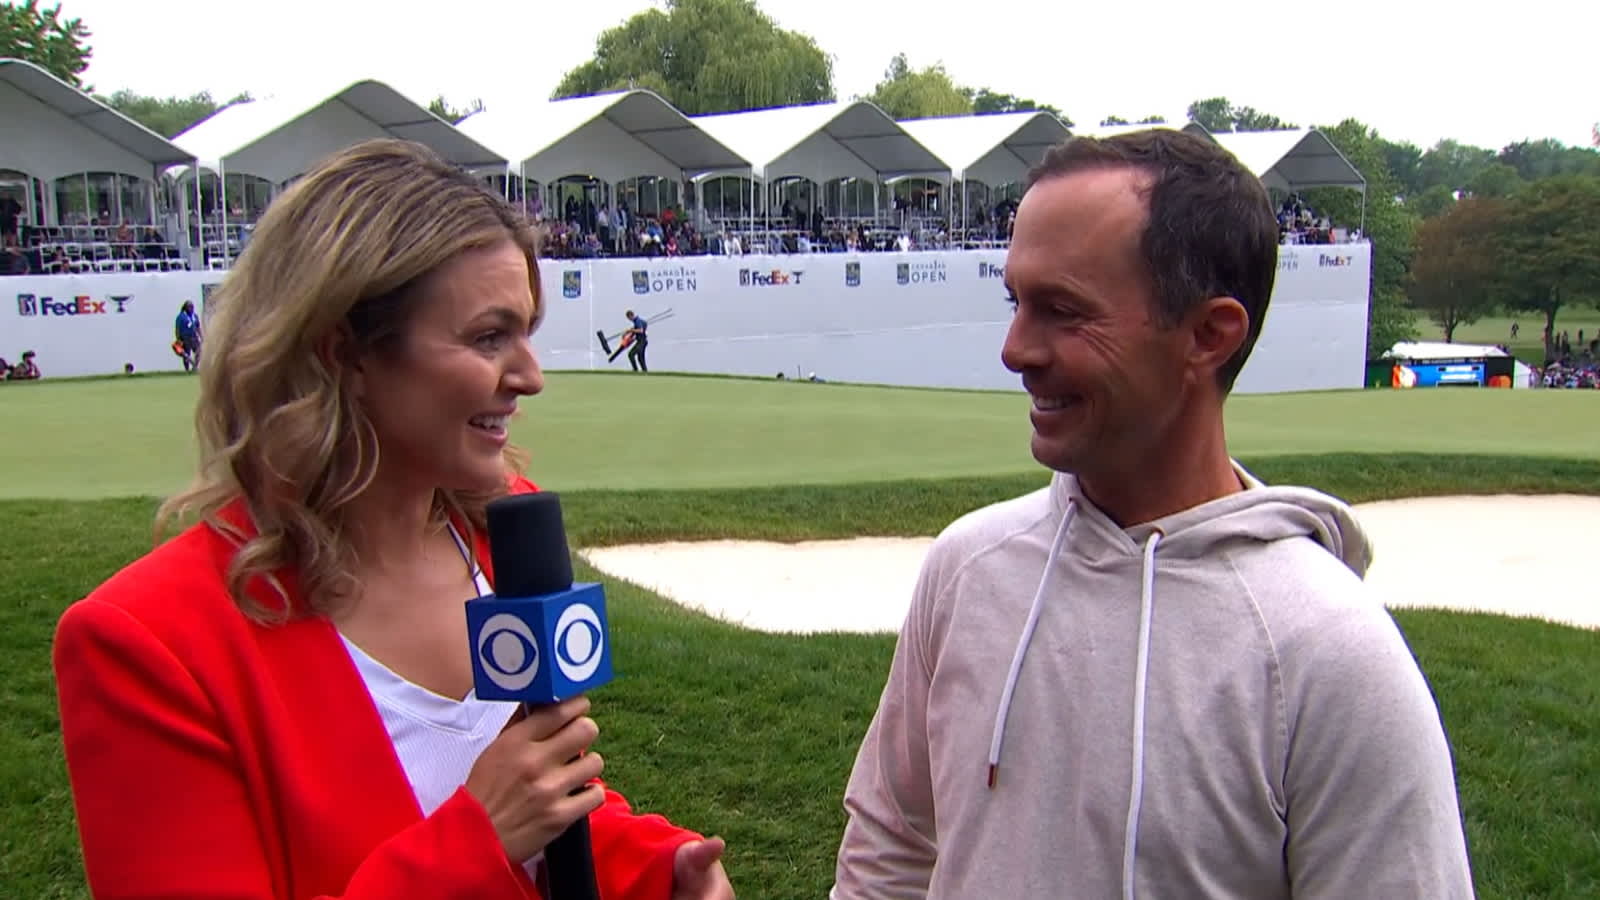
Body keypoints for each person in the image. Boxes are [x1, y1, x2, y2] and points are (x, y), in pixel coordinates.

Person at [53, 139, 734, 900]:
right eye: (489, 336)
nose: (530, 376)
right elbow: (499, 819)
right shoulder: (149, 644)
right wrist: (475, 840)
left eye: (527, 332)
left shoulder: (501, 533)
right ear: (344, 353)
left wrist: (655, 866)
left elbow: (545, 797)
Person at [830, 129, 1475, 899]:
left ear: (1208, 335)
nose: (1015, 349)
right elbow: (893, 848)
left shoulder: (1330, 653)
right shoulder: (968, 568)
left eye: (1062, 311)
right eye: (1016, 302)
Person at [175, 300, 203, 372]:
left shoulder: (195, 316)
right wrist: (178, 339)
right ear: (185, 308)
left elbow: (198, 327)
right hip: (185, 337)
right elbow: (177, 328)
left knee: (199, 350)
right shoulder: (181, 316)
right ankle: (187, 370)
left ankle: (195, 367)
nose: (191, 308)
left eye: (192, 307)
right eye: (189, 307)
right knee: (186, 354)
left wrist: (201, 336)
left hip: (194, 336)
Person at [623, 308, 649, 373]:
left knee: (631, 354)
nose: (629, 320)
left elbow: (640, 330)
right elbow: (636, 331)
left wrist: (630, 330)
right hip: (642, 341)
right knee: (640, 358)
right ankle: (645, 372)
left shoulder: (637, 321)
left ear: (631, 316)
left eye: (629, 318)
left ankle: (635, 370)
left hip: (642, 342)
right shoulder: (637, 321)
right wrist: (628, 333)